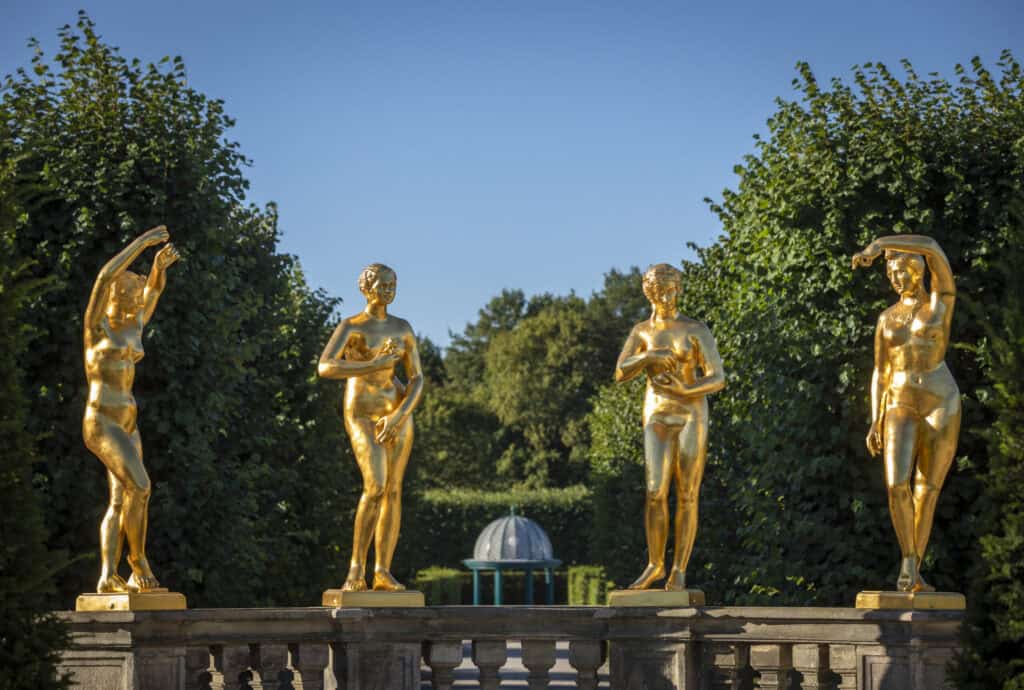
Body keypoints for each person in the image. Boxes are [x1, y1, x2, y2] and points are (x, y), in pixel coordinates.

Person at [853, 235, 960, 592]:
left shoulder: (940, 302)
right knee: (896, 483)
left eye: (900, 272)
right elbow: (880, 371)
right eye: (891, 275)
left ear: (917, 271)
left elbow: (932, 246)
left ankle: (914, 568)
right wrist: (874, 417)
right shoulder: (886, 318)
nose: (895, 280)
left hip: (940, 398)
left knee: (926, 489)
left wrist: (879, 244)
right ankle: (909, 558)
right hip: (899, 399)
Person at [614, 263, 725, 591]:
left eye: (673, 289)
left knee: (688, 493)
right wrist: (650, 356)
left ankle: (679, 569)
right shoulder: (642, 332)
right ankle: (655, 564)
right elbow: (621, 371)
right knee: (655, 491)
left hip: (691, 411)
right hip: (657, 412)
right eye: (661, 290)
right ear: (649, 292)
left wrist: (688, 390)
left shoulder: (695, 329)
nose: (668, 296)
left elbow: (718, 376)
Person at [83, 225, 179, 593]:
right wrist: (142, 243)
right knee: (141, 487)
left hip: (128, 423)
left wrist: (157, 269)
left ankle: (108, 576)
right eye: (131, 294)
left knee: (121, 498)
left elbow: (155, 291)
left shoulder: (133, 327)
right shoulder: (97, 328)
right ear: (115, 295)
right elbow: (104, 275)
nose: (138, 300)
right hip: (101, 421)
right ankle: (138, 563)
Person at [318, 263, 424, 592]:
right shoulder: (351, 326)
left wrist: (400, 415)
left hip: (396, 413)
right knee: (375, 486)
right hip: (362, 413)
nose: (389, 289)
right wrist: (373, 364)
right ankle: (354, 569)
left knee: (393, 491)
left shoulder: (402, 328)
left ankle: (382, 571)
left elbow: (417, 378)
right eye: (383, 283)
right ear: (366, 286)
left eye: (393, 284)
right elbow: (325, 366)